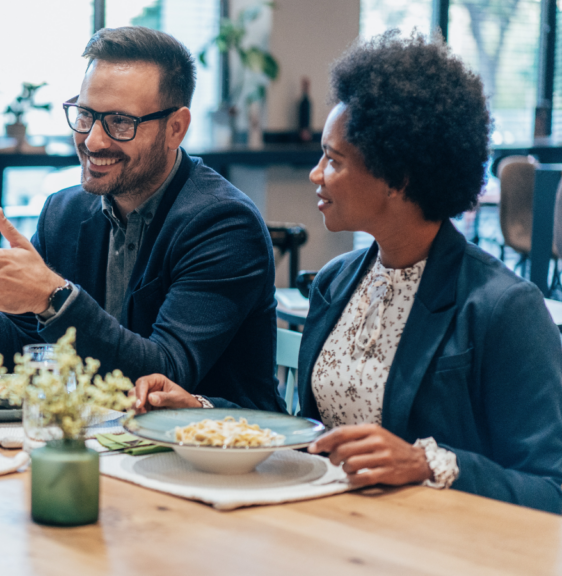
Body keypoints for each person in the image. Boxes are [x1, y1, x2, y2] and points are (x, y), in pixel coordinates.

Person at [131, 31, 562, 513]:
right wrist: (201, 410)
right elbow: (309, 437)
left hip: (440, 539)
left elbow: (552, 486)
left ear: (398, 178)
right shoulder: (336, 282)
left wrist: (427, 463)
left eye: (333, 160)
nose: (315, 173)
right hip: (335, 524)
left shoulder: (503, 307)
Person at [0, 26, 282, 411]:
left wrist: (54, 298)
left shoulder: (224, 225)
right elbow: (19, 363)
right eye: (85, 114)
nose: (93, 140)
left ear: (176, 128)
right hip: (101, 439)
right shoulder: (63, 213)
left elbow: (164, 376)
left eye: (120, 122)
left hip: (221, 448)